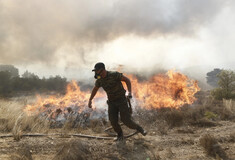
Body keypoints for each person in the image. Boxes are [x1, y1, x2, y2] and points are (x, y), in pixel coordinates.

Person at [88, 62, 147, 141]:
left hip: (121, 100)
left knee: (126, 120)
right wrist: (90, 100)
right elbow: (95, 89)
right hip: (112, 102)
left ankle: (140, 129)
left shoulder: (114, 74)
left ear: (102, 70)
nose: (96, 72)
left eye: (97, 70)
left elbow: (127, 80)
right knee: (113, 121)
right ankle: (120, 135)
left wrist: (129, 92)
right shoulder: (100, 80)